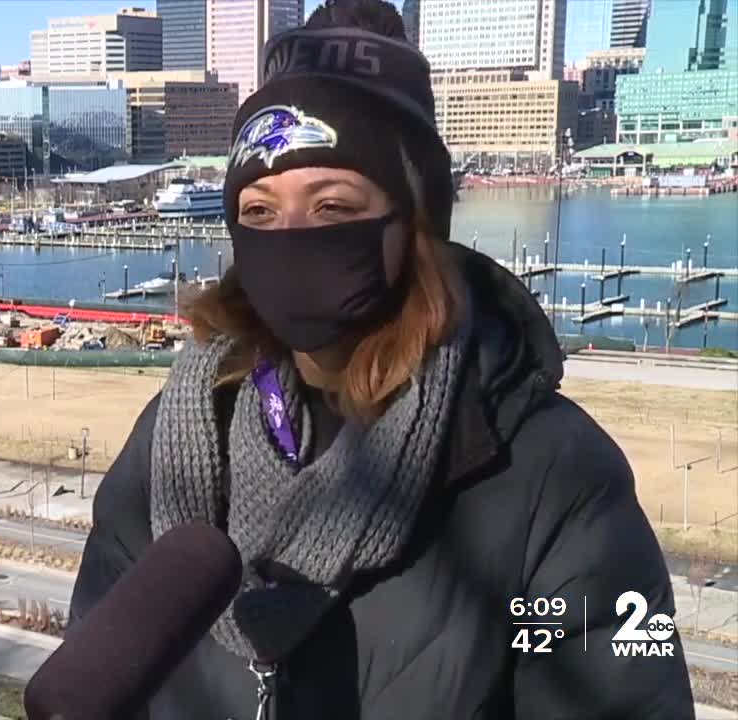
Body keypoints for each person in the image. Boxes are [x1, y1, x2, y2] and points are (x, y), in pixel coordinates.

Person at [68, 2, 695, 718]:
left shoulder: (549, 477)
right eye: (260, 212)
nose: (291, 237)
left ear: (414, 222)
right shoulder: (173, 439)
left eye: (333, 206)